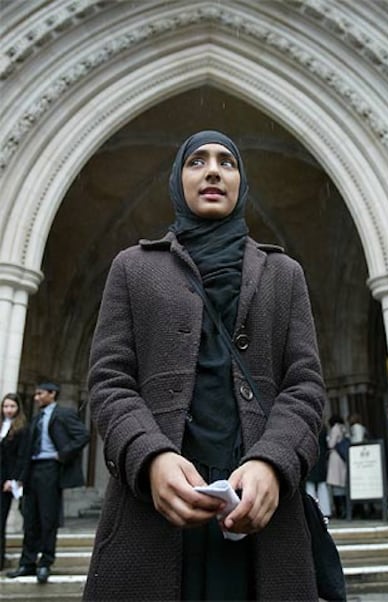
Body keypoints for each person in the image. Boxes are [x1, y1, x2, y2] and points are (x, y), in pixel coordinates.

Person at [83, 130, 326, 601]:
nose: (213, 170)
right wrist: (149, 458)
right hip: (151, 511)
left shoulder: (285, 274)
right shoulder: (132, 268)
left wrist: (273, 464)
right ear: (177, 180)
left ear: (240, 183)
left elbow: (306, 386)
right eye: (196, 161)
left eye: (227, 162)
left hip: (262, 517)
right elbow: (109, 381)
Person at [6, 382, 90, 583]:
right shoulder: (35, 419)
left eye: (40, 394)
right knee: (30, 518)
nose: (36, 397)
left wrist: (62, 454)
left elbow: (83, 435)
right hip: (32, 470)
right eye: (34, 394)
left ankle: (45, 563)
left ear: (52, 394)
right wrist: (19, 478)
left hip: (50, 470)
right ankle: (27, 563)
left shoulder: (63, 414)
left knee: (47, 517)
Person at [0, 393, 27, 570]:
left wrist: (15, 479)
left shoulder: (21, 429)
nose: (8, 410)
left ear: (18, 408)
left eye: (12, 406)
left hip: (6, 483)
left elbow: (21, 456)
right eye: (5, 406)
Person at [306, 424, 331, 518]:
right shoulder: (323, 428)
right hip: (321, 460)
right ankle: (325, 511)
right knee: (322, 486)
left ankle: (311, 511)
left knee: (310, 486)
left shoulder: (307, 427)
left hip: (310, 458)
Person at [326, 414, 348, 519]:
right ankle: (345, 508)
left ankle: (340, 510)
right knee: (342, 483)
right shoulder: (343, 428)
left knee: (336, 483)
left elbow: (331, 444)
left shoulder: (335, 429)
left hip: (335, 457)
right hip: (342, 457)